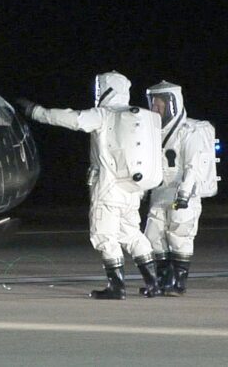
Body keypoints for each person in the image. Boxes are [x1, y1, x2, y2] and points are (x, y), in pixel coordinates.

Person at [16, 71, 162, 299]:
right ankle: (154, 284)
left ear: (105, 89)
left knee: (104, 236)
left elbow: (72, 119)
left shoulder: (104, 115)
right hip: (132, 191)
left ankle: (117, 287)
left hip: (108, 189)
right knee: (132, 234)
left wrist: (37, 112)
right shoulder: (133, 117)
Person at [144, 81, 204, 296]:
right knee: (152, 236)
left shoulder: (189, 132)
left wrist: (185, 194)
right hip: (160, 192)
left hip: (181, 192)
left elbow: (192, 166)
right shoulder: (152, 132)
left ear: (172, 105)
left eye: (159, 105)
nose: (155, 109)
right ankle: (163, 279)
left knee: (179, 236)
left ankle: (178, 283)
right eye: (153, 104)